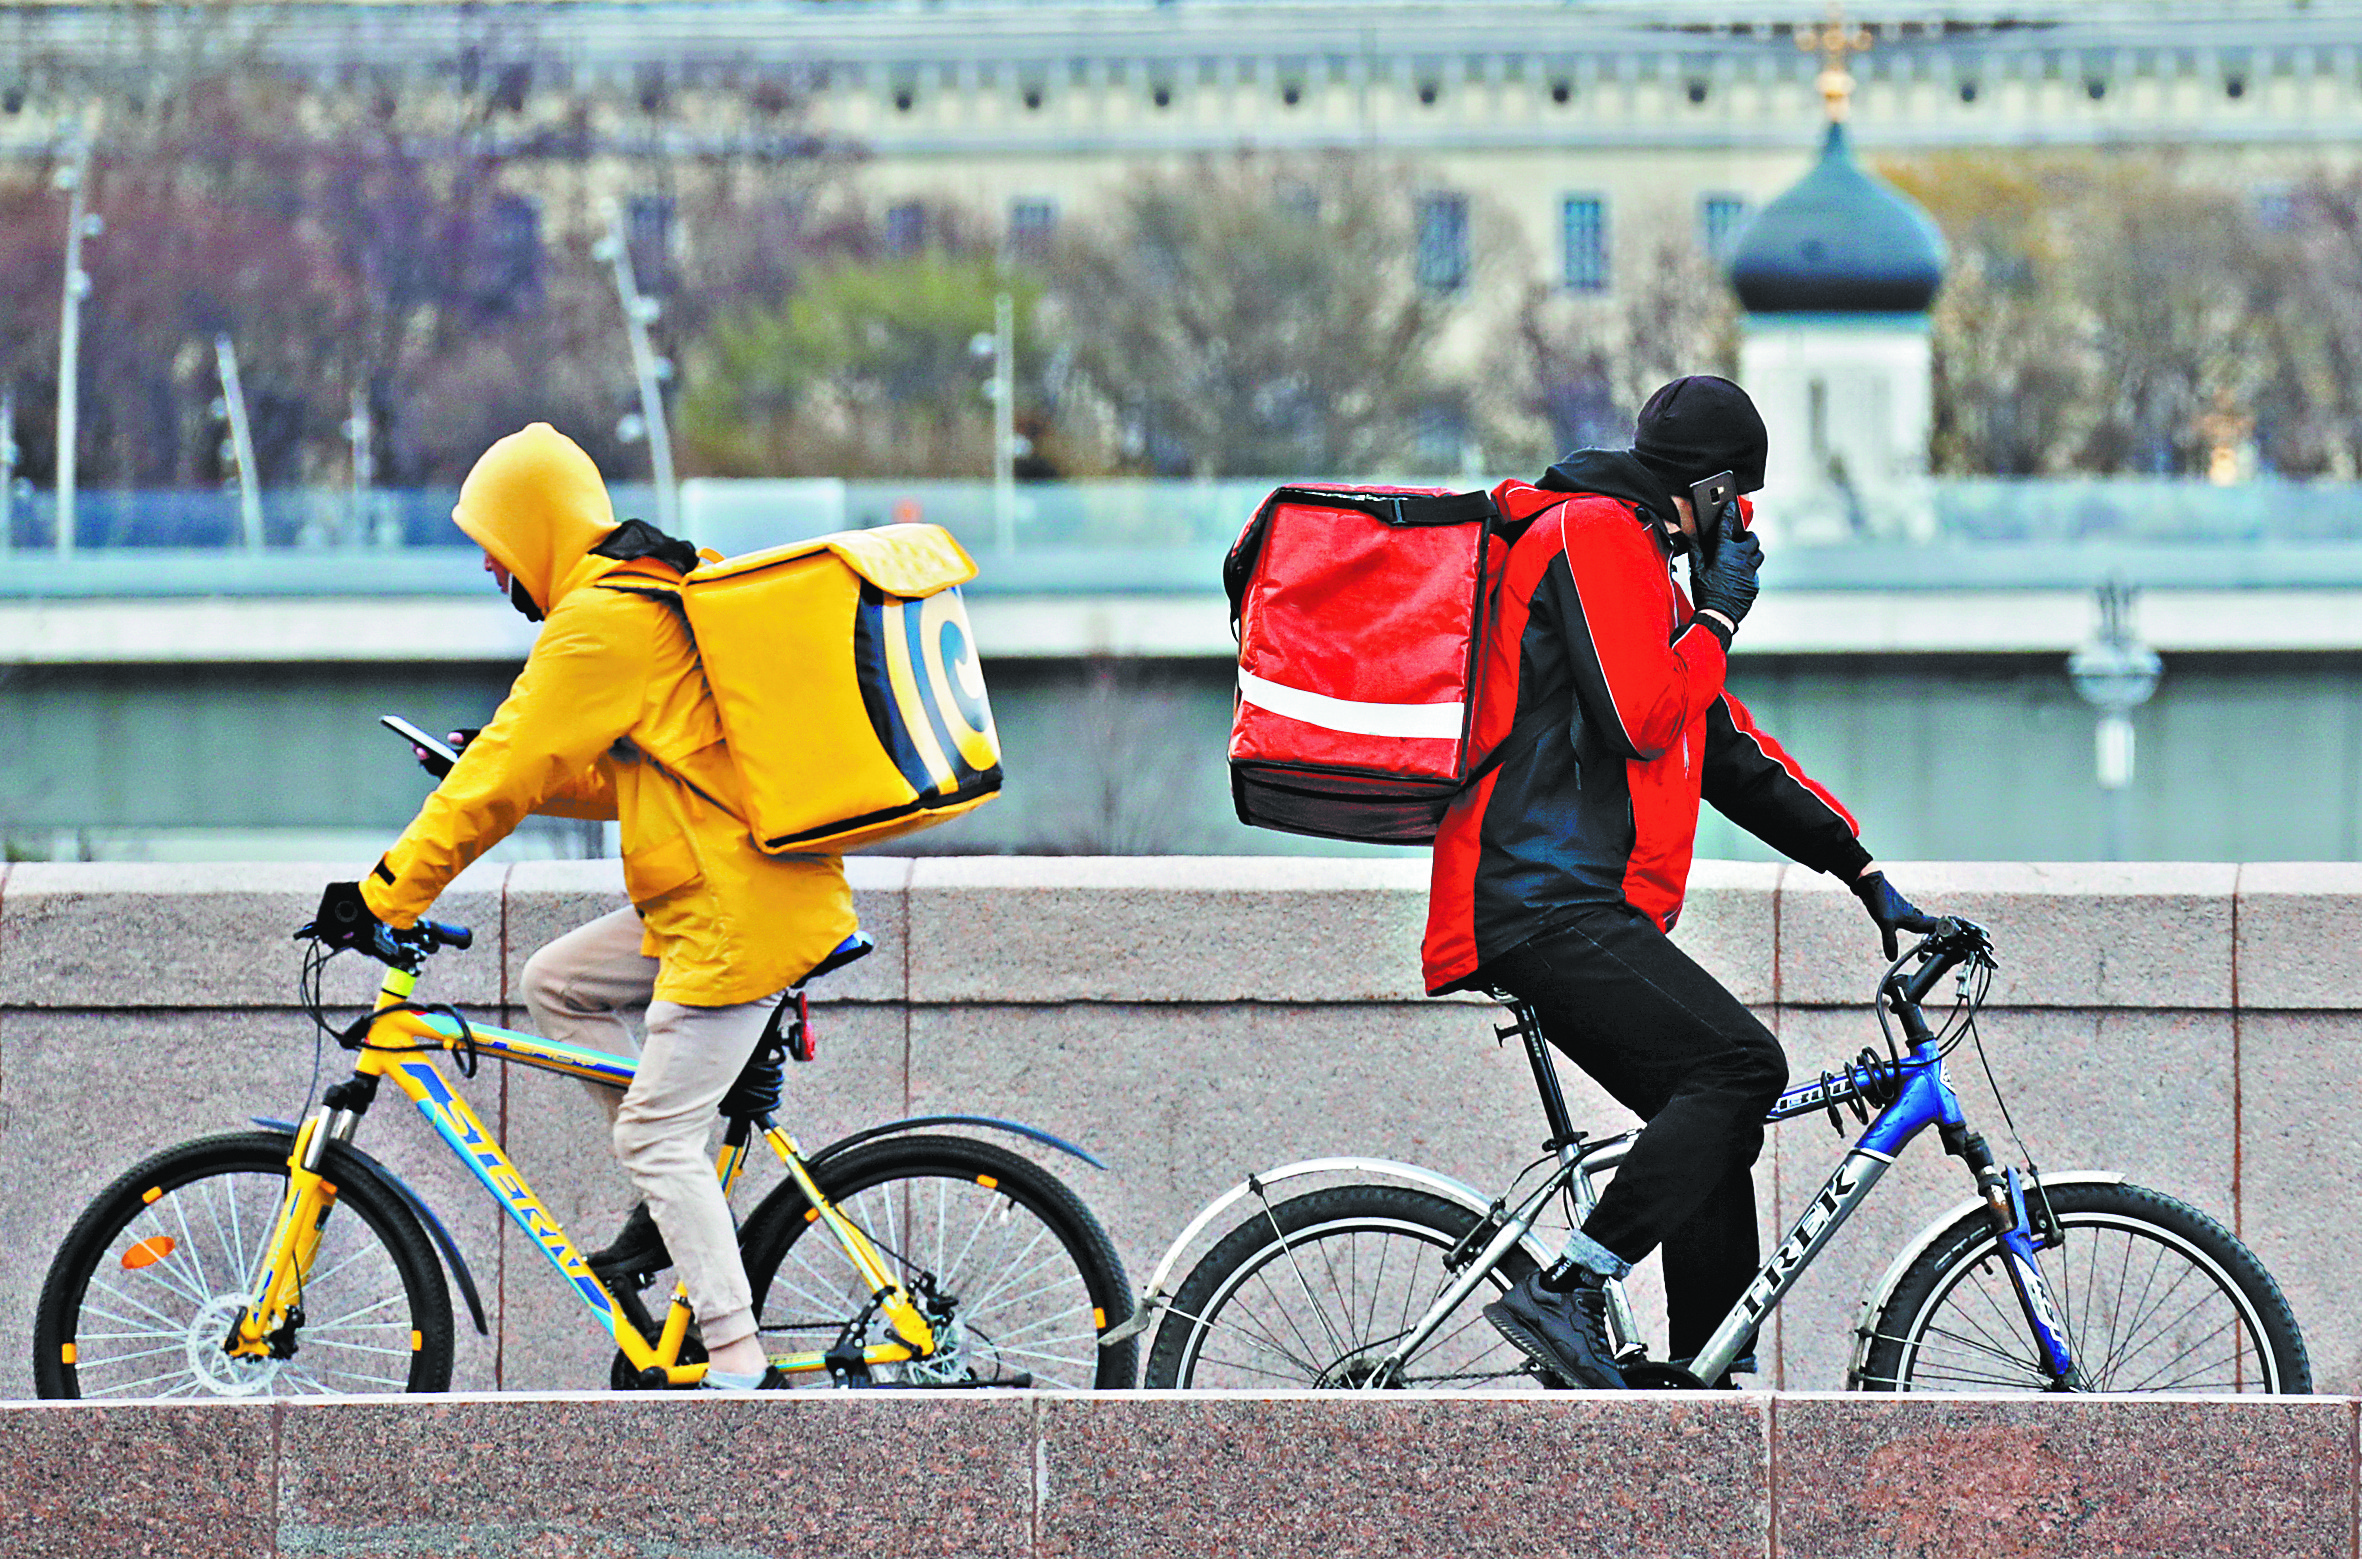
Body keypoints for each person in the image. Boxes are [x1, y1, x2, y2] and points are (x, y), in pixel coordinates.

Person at [308, 423, 857, 1392]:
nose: (489, 564)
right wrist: (487, 755)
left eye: (494, 541)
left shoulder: (603, 619)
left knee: (649, 1130)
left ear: (536, 525)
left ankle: (738, 1368)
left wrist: (384, 892)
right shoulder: (643, 595)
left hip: (734, 917)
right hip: (724, 892)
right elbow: (611, 772)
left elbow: (503, 784)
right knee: (553, 980)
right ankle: (671, 1185)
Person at [1422, 375, 1936, 1390]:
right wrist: (1720, 617)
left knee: (1714, 1123)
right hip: (1535, 895)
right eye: (1737, 501)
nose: (1742, 524)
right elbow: (1640, 715)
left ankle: (1705, 1380)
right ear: (1702, 491)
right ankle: (1566, 1287)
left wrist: (1860, 868)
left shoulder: (1636, 568)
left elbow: (1725, 750)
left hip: (1569, 900)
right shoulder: (1591, 537)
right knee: (1740, 1067)